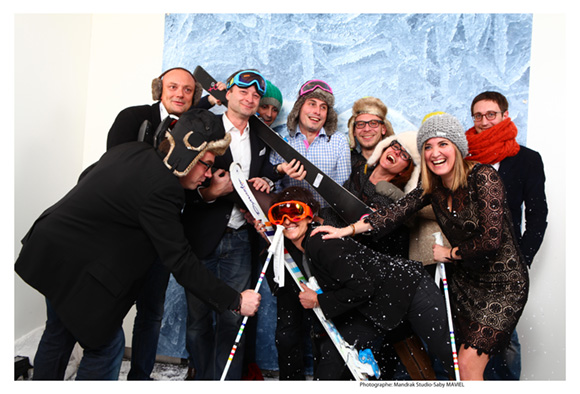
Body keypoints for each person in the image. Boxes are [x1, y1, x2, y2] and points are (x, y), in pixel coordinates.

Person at [14, 108, 261, 380]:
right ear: (188, 155)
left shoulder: (132, 150)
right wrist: (235, 300)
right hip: (75, 267)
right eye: (206, 163)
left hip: (49, 249)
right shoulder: (164, 189)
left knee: (58, 332)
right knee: (106, 347)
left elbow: (87, 177)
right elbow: (180, 261)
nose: (208, 173)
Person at [313, 113, 530, 381]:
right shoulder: (432, 187)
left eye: (443, 144)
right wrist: (346, 230)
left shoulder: (483, 177)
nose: (434, 153)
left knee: (467, 367)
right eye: (427, 146)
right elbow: (392, 214)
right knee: (460, 366)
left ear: (458, 148)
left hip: (501, 284)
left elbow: (491, 240)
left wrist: (449, 254)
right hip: (466, 284)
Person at [98, 67, 225, 380]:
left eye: (186, 90)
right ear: (160, 89)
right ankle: (103, 377)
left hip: (164, 237)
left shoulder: (197, 131)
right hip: (125, 236)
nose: (179, 94)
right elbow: (114, 168)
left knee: (152, 313)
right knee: (110, 310)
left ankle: (140, 377)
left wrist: (208, 194)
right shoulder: (133, 117)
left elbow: (192, 188)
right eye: (173, 87)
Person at [260, 186, 454, 380]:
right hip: (374, 305)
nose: (287, 221)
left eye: (295, 213)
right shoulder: (300, 245)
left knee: (447, 352)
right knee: (333, 354)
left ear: (310, 216)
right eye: (280, 215)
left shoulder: (320, 242)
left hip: (409, 288)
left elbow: (362, 287)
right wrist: (269, 235)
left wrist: (319, 300)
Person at [181, 69, 301, 380]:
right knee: (197, 320)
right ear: (229, 94)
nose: (249, 98)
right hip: (200, 237)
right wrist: (209, 194)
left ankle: (226, 382)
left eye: (256, 95)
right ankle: (204, 379)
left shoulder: (261, 137)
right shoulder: (204, 128)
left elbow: (250, 182)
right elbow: (179, 183)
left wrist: (272, 176)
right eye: (243, 91)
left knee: (234, 319)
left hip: (239, 240)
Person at [267, 79, 350, 379]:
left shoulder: (338, 142)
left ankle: (323, 381)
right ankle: (291, 380)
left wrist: (325, 226)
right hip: (287, 231)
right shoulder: (280, 140)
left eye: (323, 106)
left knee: (321, 316)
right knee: (288, 319)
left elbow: (340, 192)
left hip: (321, 231)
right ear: (300, 107)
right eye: (312, 104)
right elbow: (273, 186)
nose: (317, 111)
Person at [466, 91, 548, 380]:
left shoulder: (527, 159)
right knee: (467, 339)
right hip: (467, 265)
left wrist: (522, 258)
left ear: (504, 116)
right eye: (478, 115)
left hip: (507, 267)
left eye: (491, 115)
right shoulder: (464, 160)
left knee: (505, 337)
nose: (484, 121)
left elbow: (537, 215)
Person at [347, 96, 394, 168]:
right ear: (354, 131)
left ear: (383, 129)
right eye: (360, 124)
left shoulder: (396, 162)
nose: (367, 129)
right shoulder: (345, 162)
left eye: (373, 123)